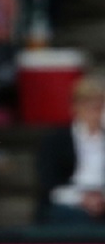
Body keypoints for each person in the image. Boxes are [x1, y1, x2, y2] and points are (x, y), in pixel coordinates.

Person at [36, 76, 105, 225]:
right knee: (72, 217)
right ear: (75, 107)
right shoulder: (56, 141)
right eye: (88, 104)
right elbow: (50, 185)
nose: (94, 111)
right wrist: (81, 199)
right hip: (69, 204)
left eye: (99, 105)